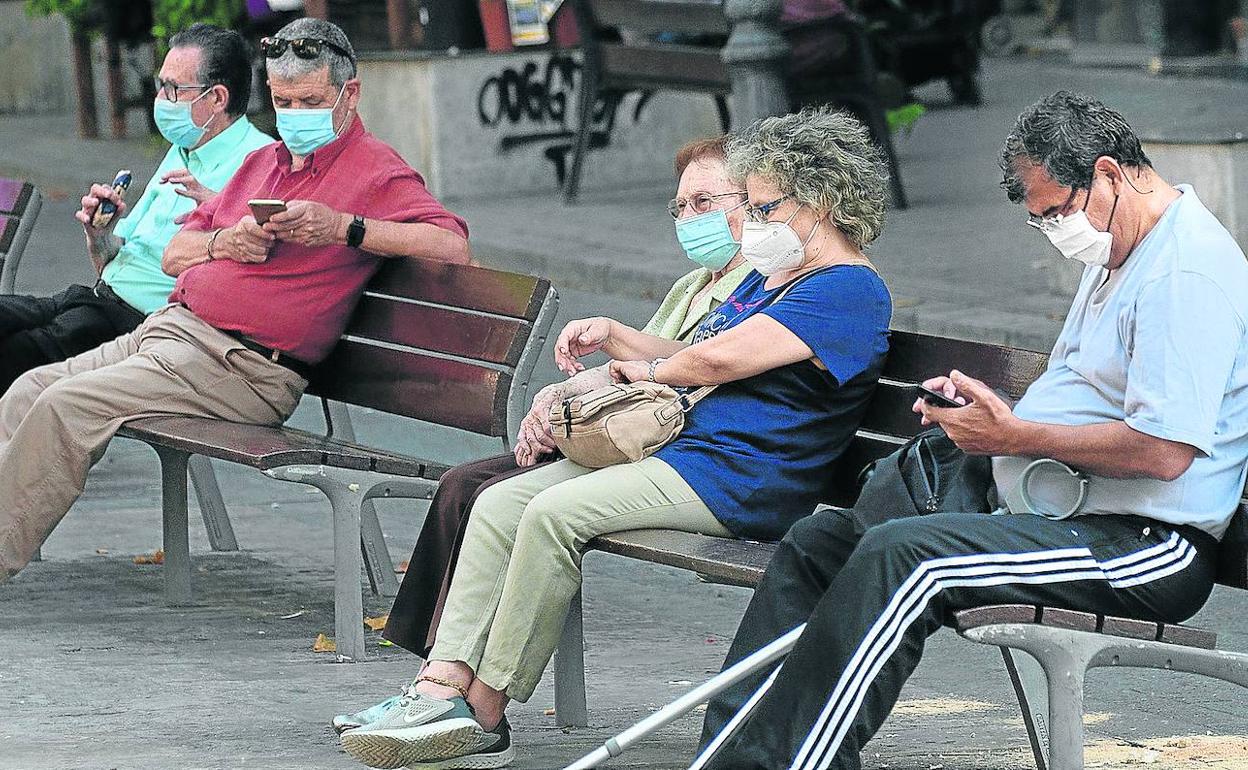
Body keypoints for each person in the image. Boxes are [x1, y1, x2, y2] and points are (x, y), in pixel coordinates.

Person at [694, 90, 1248, 770]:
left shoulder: (1183, 271)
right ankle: (728, 758)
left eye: (1057, 212)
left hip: (1144, 544)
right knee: (821, 541)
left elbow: (1165, 451)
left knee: (910, 559)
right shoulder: (1120, 250)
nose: (1055, 231)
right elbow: (1084, 395)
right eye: (1040, 220)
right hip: (1062, 510)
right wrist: (986, 411)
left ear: (1108, 173)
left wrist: (1014, 438)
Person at [339, 107, 893, 770]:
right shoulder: (782, 276)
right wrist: (621, 341)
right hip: (692, 456)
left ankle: (483, 715)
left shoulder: (849, 290)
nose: (756, 220)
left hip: (745, 480)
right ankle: (440, 685)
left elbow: (715, 363)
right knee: (501, 502)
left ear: (821, 201)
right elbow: (699, 346)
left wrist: (645, 369)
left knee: (552, 513)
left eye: (765, 205)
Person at [0, 17, 470, 584]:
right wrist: (226, 242)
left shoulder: (375, 169)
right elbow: (176, 254)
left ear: (349, 94)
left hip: (241, 367)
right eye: (283, 102)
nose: (294, 117)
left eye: (309, 101)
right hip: (172, 335)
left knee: (66, 406)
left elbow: (451, 246)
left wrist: (345, 228)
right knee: (29, 388)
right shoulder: (261, 164)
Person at [330, 134, 756, 734]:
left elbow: (675, 374)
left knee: (483, 490)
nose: (688, 220)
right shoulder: (694, 284)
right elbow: (633, 381)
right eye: (680, 207)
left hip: (665, 456)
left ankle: (461, 694)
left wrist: (565, 402)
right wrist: (558, 401)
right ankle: (439, 679)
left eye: (704, 203)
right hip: (628, 442)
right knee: (470, 485)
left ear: (756, 199)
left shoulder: (760, 286)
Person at [0, 23, 274, 395]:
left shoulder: (261, 161)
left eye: (172, 89)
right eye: (161, 84)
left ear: (217, 98)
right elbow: (109, 264)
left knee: (13, 358)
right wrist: (100, 235)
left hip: (145, 326)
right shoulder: (183, 148)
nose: (160, 98)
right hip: (93, 298)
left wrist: (220, 208)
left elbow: (259, 260)